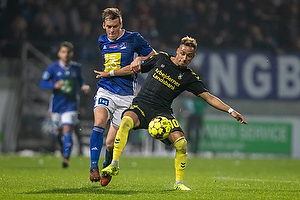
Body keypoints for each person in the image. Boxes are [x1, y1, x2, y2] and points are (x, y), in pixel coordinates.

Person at [96, 36, 247, 190]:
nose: (184, 58)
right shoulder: (161, 58)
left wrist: (231, 110)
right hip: (141, 105)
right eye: (182, 53)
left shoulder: (189, 77)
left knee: (182, 143)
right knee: (126, 121)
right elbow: (133, 68)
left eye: (189, 56)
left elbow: (209, 97)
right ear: (177, 51)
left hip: (162, 112)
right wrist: (110, 74)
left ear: (193, 57)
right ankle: (114, 164)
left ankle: (178, 183)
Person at [89, 7, 156, 186]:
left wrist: (140, 59)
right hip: (105, 89)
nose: (112, 31)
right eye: (108, 26)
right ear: (103, 25)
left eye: (115, 26)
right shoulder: (101, 40)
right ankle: (93, 166)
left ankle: (107, 164)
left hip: (126, 95)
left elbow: (154, 57)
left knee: (111, 143)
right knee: (99, 122)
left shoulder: (134, 38)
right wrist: (109, 74)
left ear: (121, 24)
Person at [40, 41, 90, 168]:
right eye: (63, 52)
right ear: (59, 53)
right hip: (56, 104)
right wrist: (53, 85)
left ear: (72, 54)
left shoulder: (76, 68)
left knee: (68, 129)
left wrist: (84, 86)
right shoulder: (53, 68)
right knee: (57, 131)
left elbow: (81, 81)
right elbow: (43, 83)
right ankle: (63, 149)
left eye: (68, 52)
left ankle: (66, 158)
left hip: (71, 104)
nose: (66, 54)